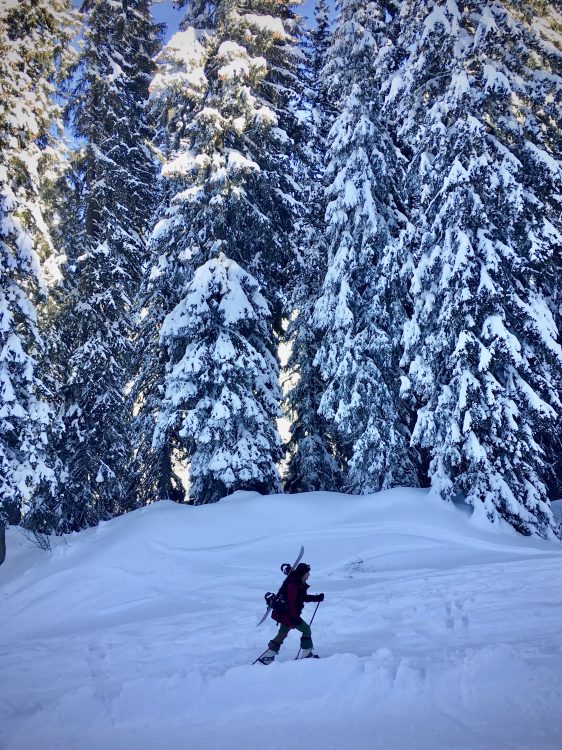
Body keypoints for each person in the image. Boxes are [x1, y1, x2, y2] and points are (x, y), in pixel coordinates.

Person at [259, 562, 324, 664]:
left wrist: (316, 598)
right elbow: (291, 603)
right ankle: (307, 654)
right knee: (306, 629)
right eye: (308, 573)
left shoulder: (299, 583)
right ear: (303, 573)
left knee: (282, 634)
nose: (309, 575)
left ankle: (268, 656)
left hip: (287, 614)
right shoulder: (294, 585)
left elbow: (302, 598)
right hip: (289, 614)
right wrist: (294, 618)